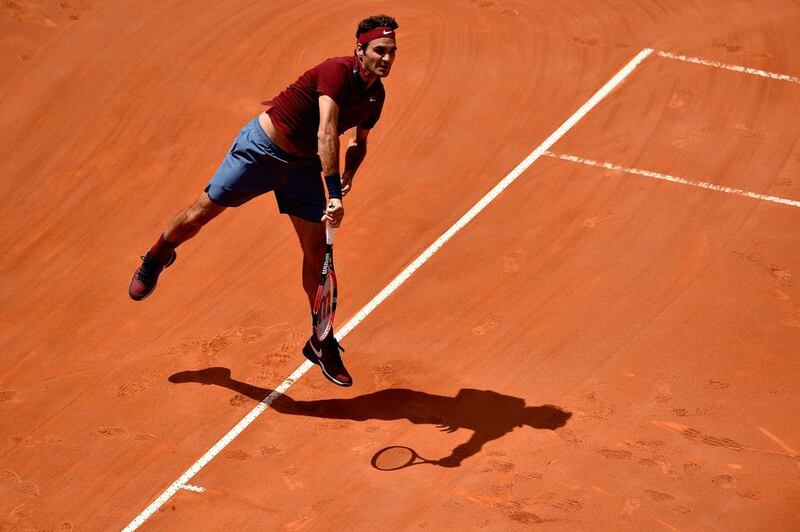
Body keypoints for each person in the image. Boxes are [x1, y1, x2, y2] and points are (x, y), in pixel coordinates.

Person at [128, 14, 399, 387]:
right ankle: (158, 254)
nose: (386, 58)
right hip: (261, 151)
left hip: (302, 169)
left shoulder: (375, 97)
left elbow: (359, 142)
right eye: (380, 51)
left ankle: (321, 340)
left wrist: (349, 176)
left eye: (392, 52)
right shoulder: (335, 72)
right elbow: (326, 132)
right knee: (198, 215)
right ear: (360, 50)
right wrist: (333, 194)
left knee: (318, 253)